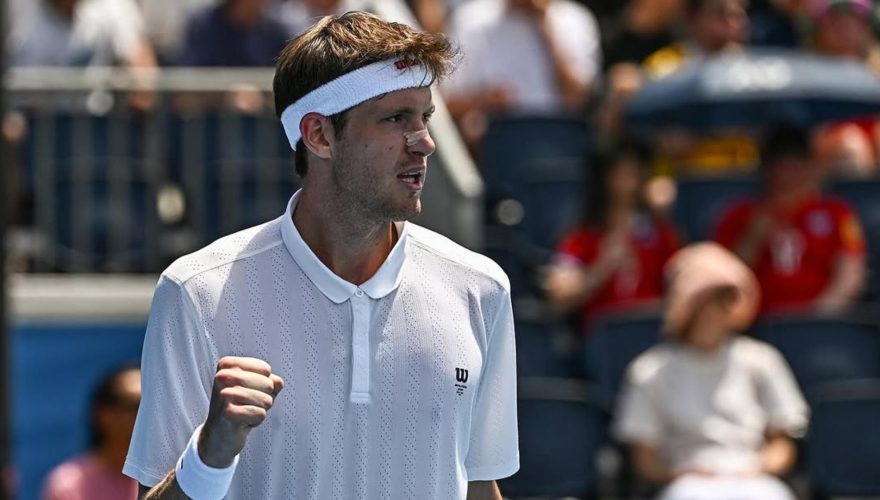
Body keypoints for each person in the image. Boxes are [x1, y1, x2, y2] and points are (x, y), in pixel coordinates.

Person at [124, 11, 519, 500]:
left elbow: (479, 486)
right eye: (396, 118)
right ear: (318, 136)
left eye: (425, 117)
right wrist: (208, 456)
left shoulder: (482, 288)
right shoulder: (194, 292)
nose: (425, 142)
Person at [615, 242, 809, 500]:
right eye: (707, 300)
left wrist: (757, 468)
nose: (717, 311)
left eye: (725, 299)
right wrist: (681, 474)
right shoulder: (649, 370)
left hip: (752, 478)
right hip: (688, 482)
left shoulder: (763, 360)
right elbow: (645, 458)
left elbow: (782, 443)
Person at [714, 124, 867, 314]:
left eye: (796, 167)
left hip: (819, 320)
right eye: (781, 167)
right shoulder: (740, 214)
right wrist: (752, 238)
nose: (788, 176)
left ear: (810, 167)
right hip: (756, 322)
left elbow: (850, 272)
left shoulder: (837, 213)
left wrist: (819, 313)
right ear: (767, 169)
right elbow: (720, 280)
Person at [543, 138, 681, 332]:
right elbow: (559, 299)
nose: (628, 181)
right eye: (620, 173)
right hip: (603, 344)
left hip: (654, 337)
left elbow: (679, 287)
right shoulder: (580, 238)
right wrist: (603, 267)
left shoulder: (661, 234)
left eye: (635, 172)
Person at [442, 0, 601, 146]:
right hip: (496, 141)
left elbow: (579, 97)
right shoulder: (471, 18)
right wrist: (484, 101)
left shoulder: (574, 19)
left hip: (559, 140)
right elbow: (445, 104)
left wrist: (544, 24)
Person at [41, 365, 141, 500]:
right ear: (103, 414)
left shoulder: (167, 478)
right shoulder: (67, 484)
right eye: (135, 406)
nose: (144, 415)